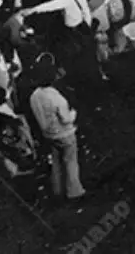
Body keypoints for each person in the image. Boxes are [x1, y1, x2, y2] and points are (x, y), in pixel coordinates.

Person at [28, 57, 86, 200]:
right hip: (64, 134)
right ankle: (74, 191)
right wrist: (74, 113)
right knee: (70, 161)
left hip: (48, 134)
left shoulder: (34, 96)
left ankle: (57, 190)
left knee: (56, 163)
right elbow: (66, 118)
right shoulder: (56, 97)